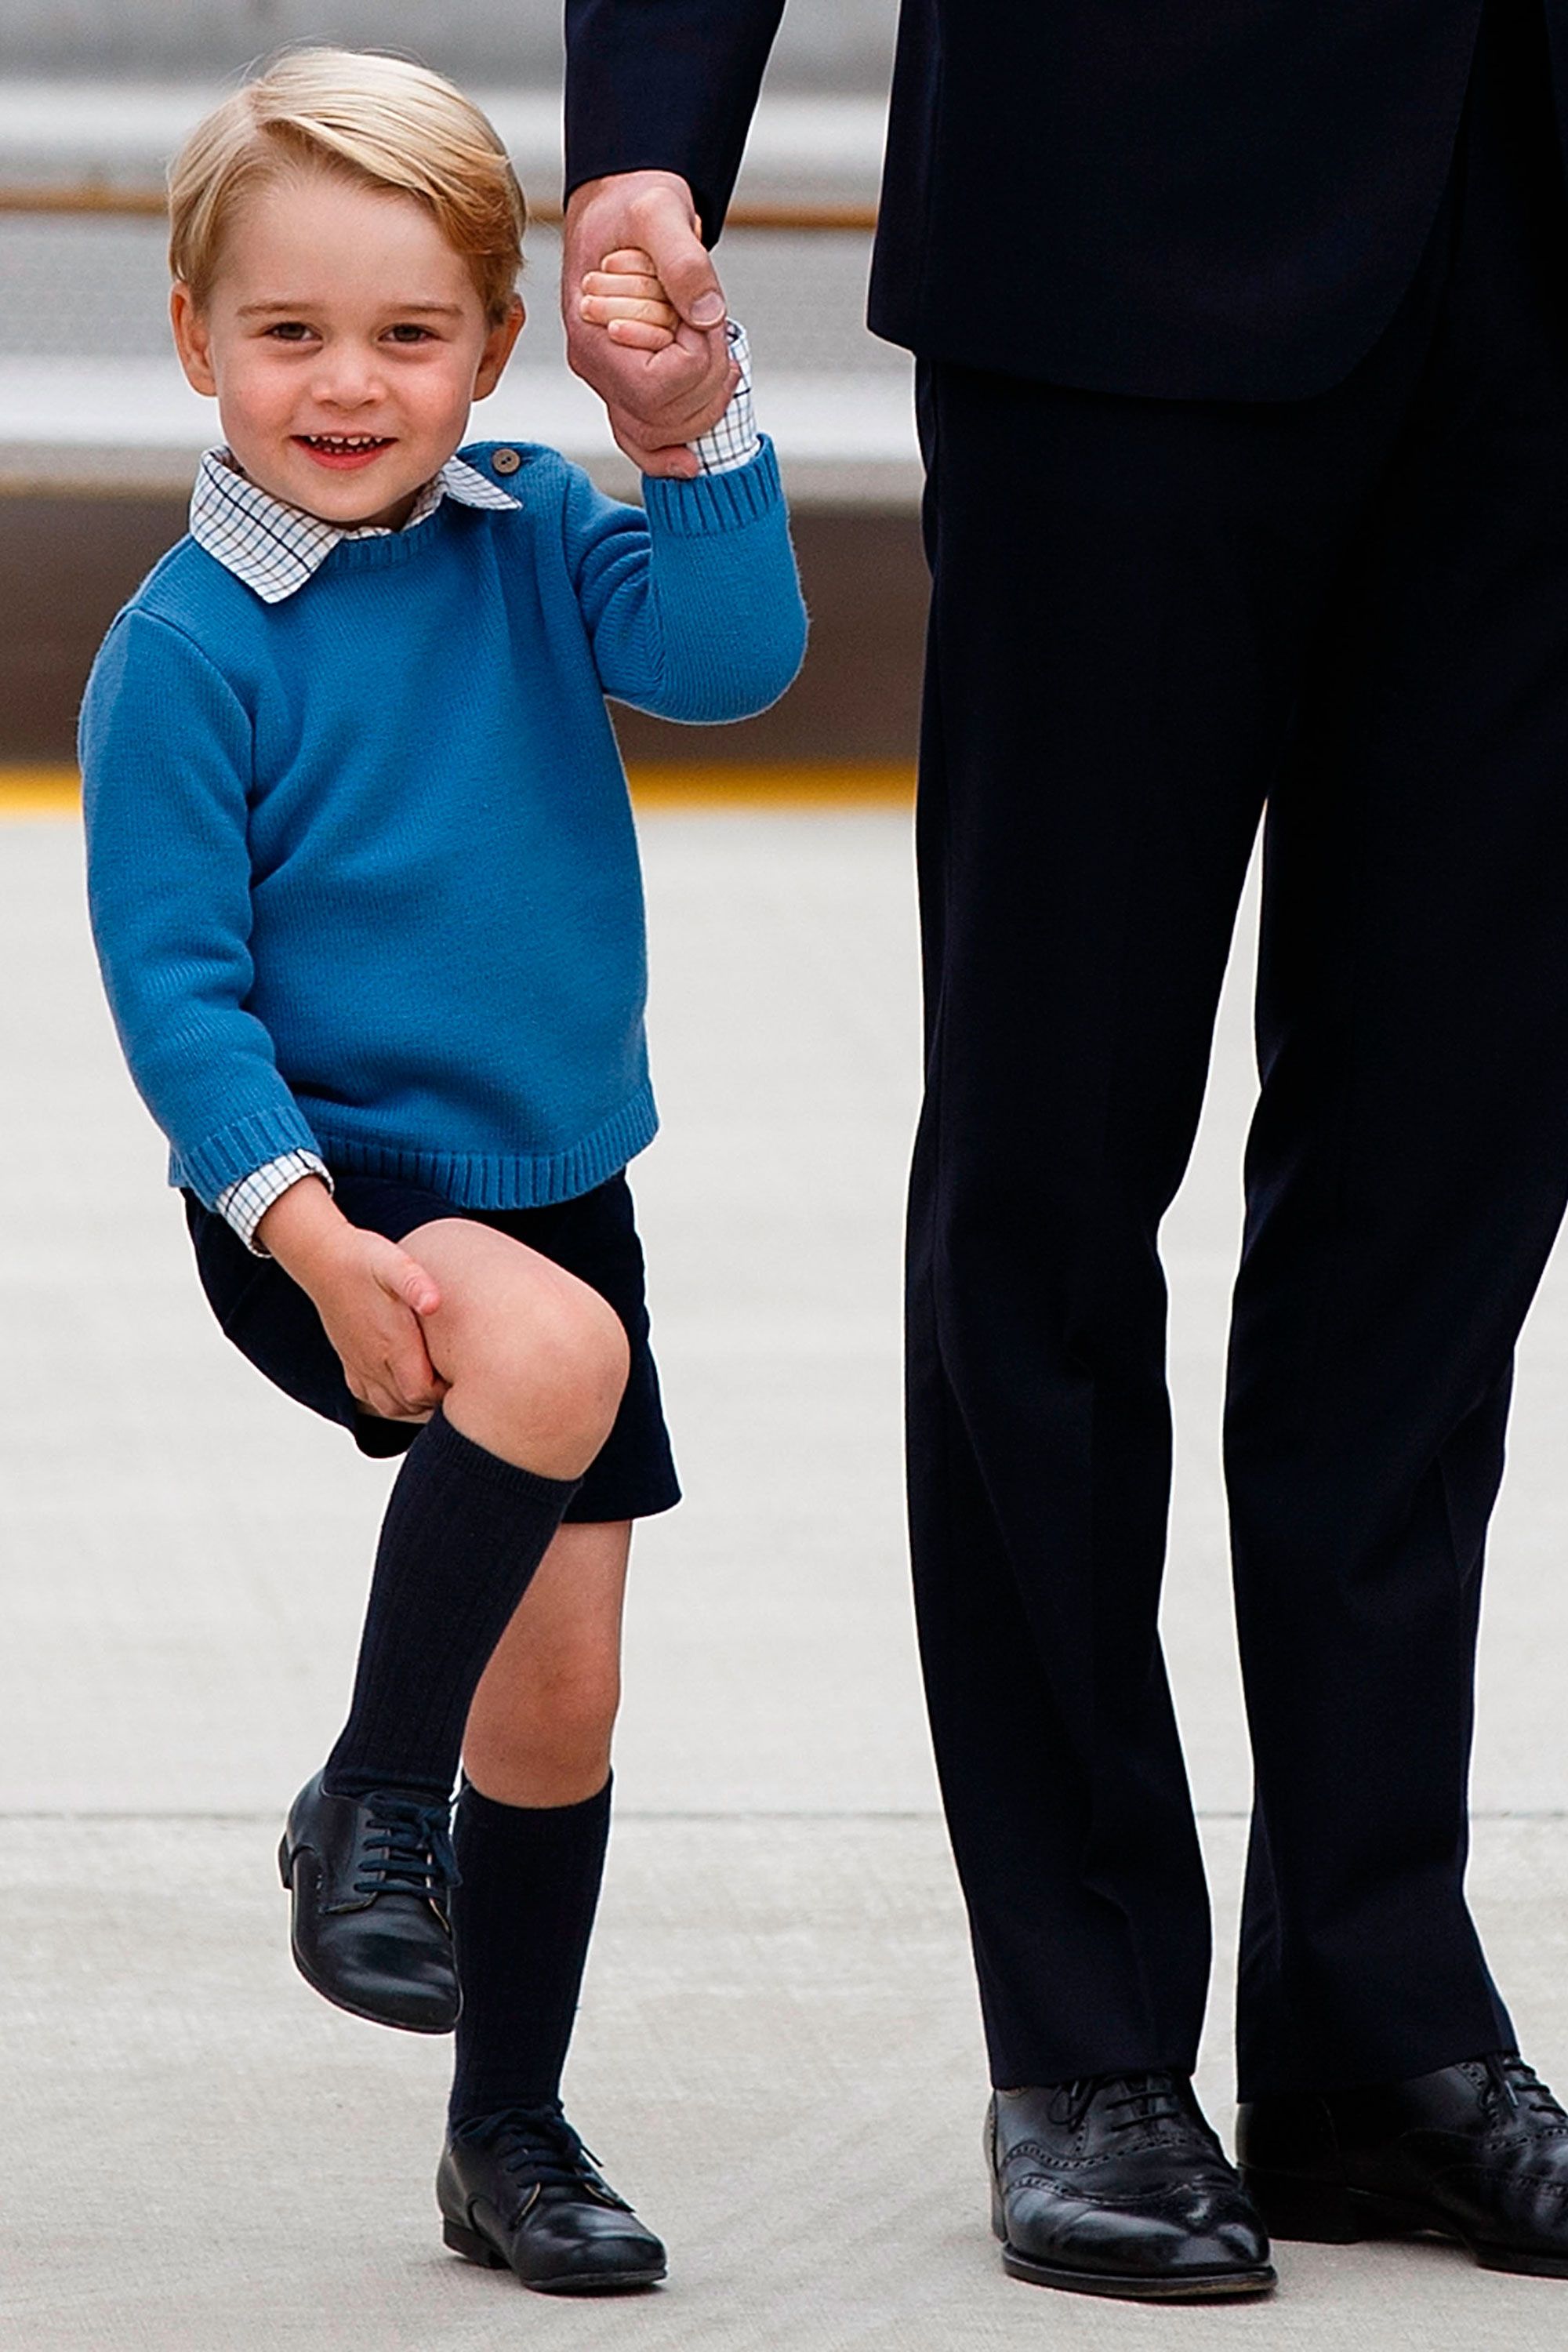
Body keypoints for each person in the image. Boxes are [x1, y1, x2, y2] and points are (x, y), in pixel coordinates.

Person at [561, 0, 1568, 2301]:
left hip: (1536, 266)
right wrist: (651, 129)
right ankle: (1091, 2028)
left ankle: (1379, 2018)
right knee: (1051, 1159)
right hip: (1126, 222)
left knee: (1451, 1182)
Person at [80, 47, 804, 2296]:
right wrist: (303, 1236)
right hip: (322, 1191)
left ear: (489, 350)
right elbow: (182, 1000)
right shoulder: (186, 653)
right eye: (287, 332)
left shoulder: (537, 538)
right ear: (197, 340)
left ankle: (509, 2132)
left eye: (408, 334)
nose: (348, 382)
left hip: (551, 1173)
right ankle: (376, 1799)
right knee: (552, 1349)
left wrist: (675, 439)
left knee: (565, 1691)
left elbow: (734, 656)